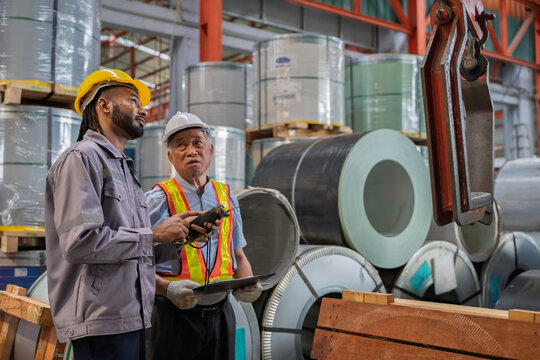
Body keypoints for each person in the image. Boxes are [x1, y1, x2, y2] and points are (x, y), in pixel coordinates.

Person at [44, 69, 210, 360]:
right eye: (132, 100)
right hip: (101, 319)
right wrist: (155, 233)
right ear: (103, 105)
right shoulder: (81, 159)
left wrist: (177, 237)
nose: (143, 110)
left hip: (132, 315)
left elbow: (132, 248)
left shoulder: (124, 169)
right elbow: (80, 242)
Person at [145, 112, 262, 360]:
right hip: (172, 315)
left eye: (197, 142)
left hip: (221, 315)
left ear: (210, 149)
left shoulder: (226, 197)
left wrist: (249, 282)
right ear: (170, 156)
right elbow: (135, 262)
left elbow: (238, 255)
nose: (191, 151)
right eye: (181, 145)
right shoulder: (156, 200)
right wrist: (167, 289)